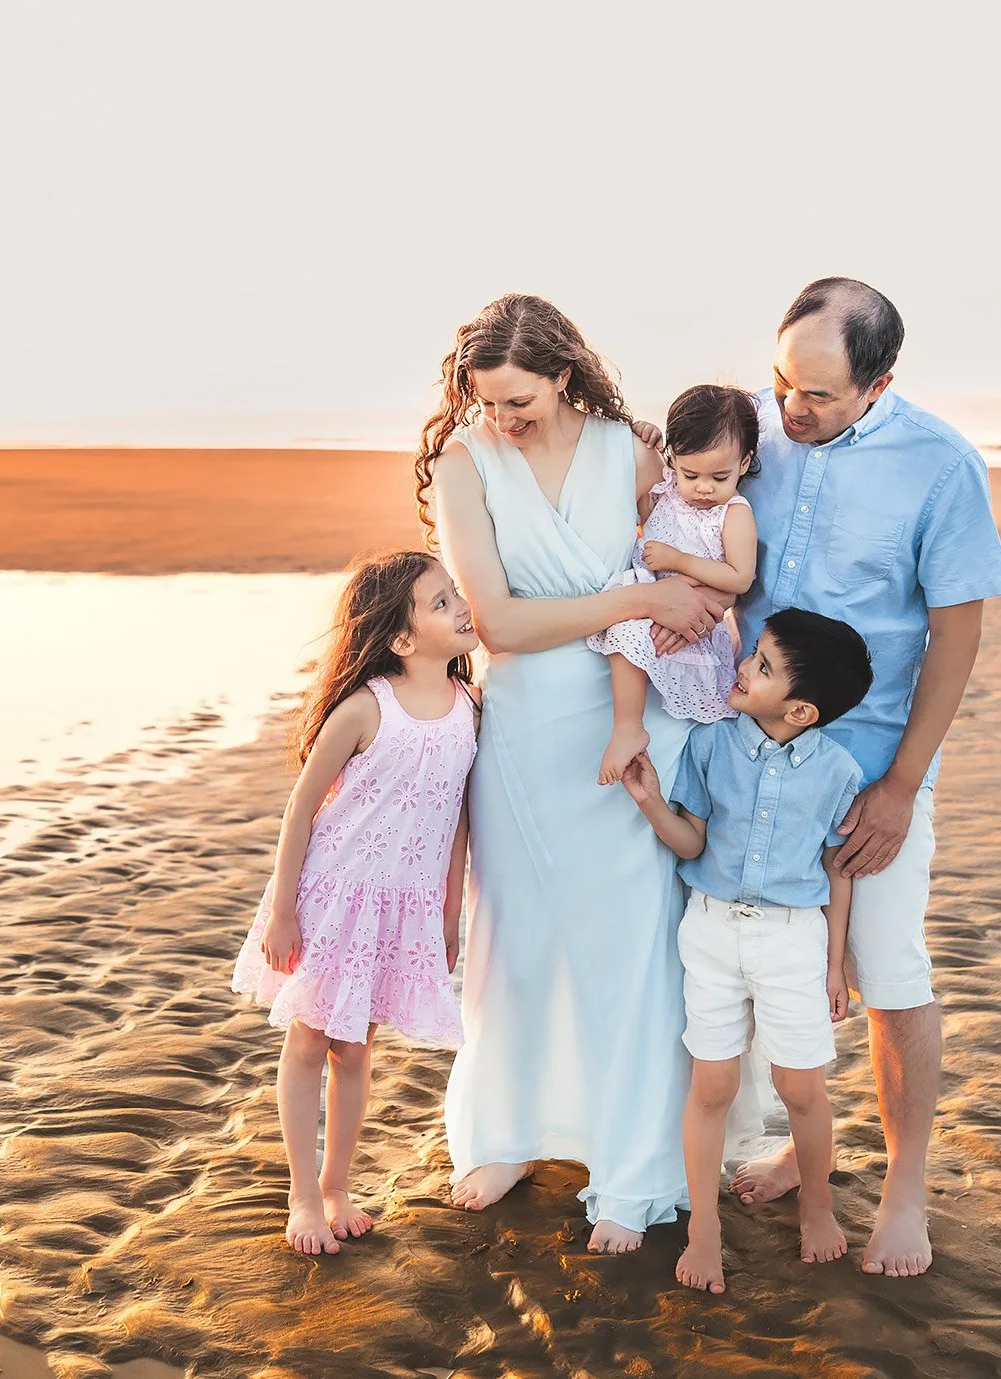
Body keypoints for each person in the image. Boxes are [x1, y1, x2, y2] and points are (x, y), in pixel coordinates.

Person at [421, 294, 729, 1253]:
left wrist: (658, 606)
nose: (501, 418)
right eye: (486, 400)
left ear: (562, 375)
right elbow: (499, 622)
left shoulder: (635, 455)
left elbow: (698, 575)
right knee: (514, 931)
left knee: (631, 941)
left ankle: (631, 1161)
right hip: (521, 727)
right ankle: (506, 1133)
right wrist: (634, 594)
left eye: (517, 400)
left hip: (627, 717)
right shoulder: (463, 463)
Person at [725, 278, 1001, 1278]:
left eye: (818, 395)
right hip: (748, 751)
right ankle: (803, 1143)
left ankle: (903, 1189)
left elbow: (957, 630)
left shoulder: (941, 465)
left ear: (880, 380)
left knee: (885, 969)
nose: (789, 411)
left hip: (868, 759)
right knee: (769, 956)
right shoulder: (751, 428)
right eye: (781, 382)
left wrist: (899, 785)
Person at [230, 550, 481, 1255]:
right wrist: (283, 908)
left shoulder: (469, 706)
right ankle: (303, 1195)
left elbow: (459, 813)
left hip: (402, 905)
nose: (461, 605)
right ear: (401, 639)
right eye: (440, 602)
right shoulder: (367, 705)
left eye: (454, 593)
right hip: (333, 895)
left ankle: (338, 1184)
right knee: (311, 1036)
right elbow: (302, 807)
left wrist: (448, 905)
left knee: (358, 1045)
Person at [620, 610, 875, 1294]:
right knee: (713, 1085)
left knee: (800, 1085)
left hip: (794, 938)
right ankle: (705, 1226)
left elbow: (838, 870)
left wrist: (834, 963)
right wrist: (650, 804)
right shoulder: (711, 747)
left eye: (761, 665)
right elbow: (694, 843)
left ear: (801, 708)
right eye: (754, 654)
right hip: (708, 931)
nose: (743, 666)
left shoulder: (839, 772)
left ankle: (815, 1205)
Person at [590, 384, 761, 784]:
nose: (703, 488)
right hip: (651, 599)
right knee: (626, 625)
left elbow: (741, 576)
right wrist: (642, 436)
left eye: (720, 476)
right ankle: (627, 723)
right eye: (690, 474)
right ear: (673, 459)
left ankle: (630, 730)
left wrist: (678, 561)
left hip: (693, 625)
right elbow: (643, 508)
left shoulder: (733, 514)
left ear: (744, 462)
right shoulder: (668, 489)